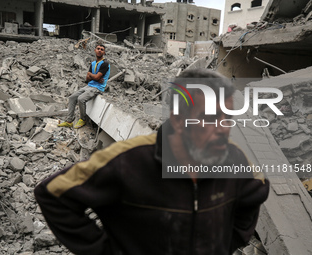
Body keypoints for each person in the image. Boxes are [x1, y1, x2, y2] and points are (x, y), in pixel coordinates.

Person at [35, 69, 269, 255]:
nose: (222, 129)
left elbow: (257, 190)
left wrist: (225, 244)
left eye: (226, 117)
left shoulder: (233, 158)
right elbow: (53, 193)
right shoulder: (127, 160)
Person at [58, 44, 110, 129]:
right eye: (98, 49)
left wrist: (92, 75)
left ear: (104, 52)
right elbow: (87, 78)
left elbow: (95, 77)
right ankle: (69, 121)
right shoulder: (93, 63)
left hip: (97, 88)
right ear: (95, 50)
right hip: (89, 85)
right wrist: (93, 76)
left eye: (102, 49)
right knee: (72, 97)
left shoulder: (105, 63)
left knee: (81, 99)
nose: (99, 50)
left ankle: (83, 119)